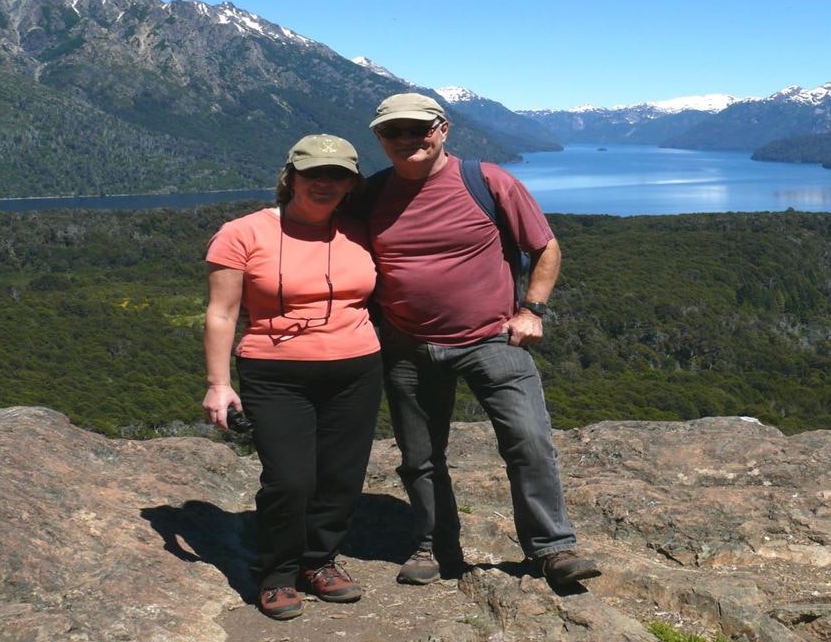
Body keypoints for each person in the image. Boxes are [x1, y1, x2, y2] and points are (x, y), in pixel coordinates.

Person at [361, 92, 600, 587]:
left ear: (443, 128)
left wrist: (531, 309)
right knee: (420, 457)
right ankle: (433, 546)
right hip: (406, 346)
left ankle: (552, 549)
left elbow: (545, 246)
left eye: (418, 129)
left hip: (492, 340)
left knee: (529, 441)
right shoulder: (371, 194)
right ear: (379, 138)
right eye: (393, 132)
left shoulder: (487, 180)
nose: (407, 140)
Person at [201, 134, 383, 620]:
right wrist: (219, 384)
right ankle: (278, 572)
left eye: (338, 175)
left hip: (357, 369)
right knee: (290, 479)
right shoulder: (242, 233)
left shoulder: (360, 230)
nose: (325, 183)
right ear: (291, 176)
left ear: (352, 183)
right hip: (275, 373)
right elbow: (222, 313)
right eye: (314, 173)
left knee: (341, 477)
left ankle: (319, 562)